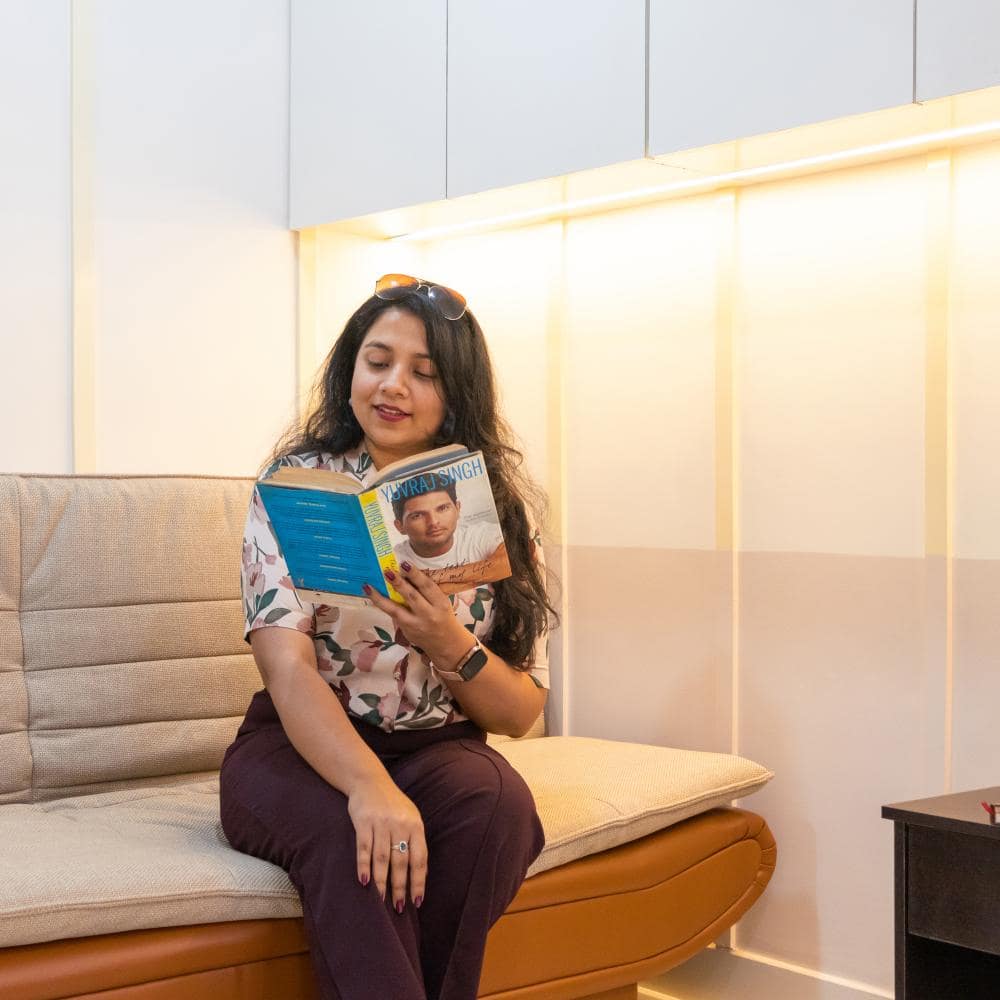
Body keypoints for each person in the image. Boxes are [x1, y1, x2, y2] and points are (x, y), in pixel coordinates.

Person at [220, 273, 558, 1000]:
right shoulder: (296, 487)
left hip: (438, 748)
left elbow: (522, 713)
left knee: (499, 807)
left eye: (423, 372)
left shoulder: (493, 510)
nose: (392, 385)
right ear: (352, 371)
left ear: (457, 392)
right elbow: (288, 670)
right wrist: (370, 786)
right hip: (297, 746)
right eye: (377, 362)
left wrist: (447, 640)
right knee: (356, 836)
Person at [390, 476, 503, 570]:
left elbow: (505, 564)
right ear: (400, 526)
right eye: (417, 515)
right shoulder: (391, 561)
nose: (433, 522)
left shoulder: (484, 535)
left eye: (442, 508)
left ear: (457, 509)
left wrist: (429, 579)